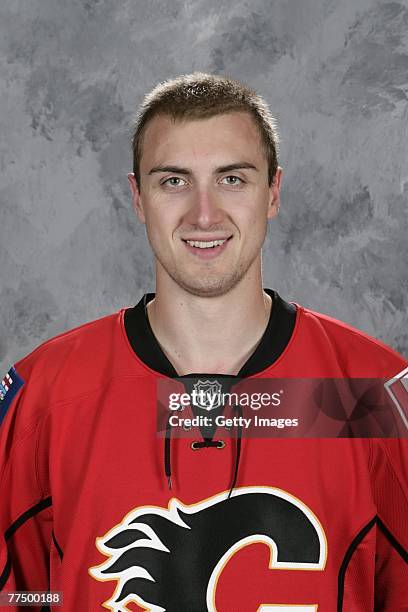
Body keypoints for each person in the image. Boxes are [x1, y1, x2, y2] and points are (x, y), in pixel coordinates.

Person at [0, 73, 406, 611]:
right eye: (174, 181)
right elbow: (20, 595)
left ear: (273, 192)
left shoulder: (370, 394)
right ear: (138, 197)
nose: (205, 215)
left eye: (232, 179)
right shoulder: (46, 392)